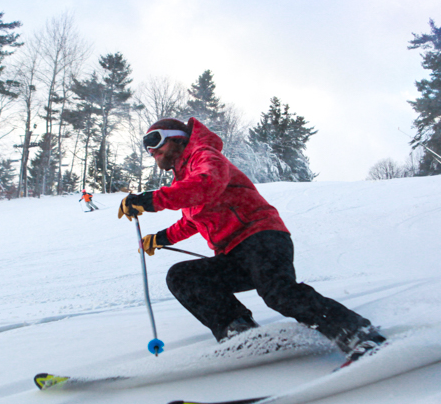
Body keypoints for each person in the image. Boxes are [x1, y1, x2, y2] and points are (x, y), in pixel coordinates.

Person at [118, 117, 385, 362]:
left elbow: (207, 186)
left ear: (177, 138)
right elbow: (194, 219)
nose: (152, 151)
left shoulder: (205, 156)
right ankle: (240, 332)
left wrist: (151, 200)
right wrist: (162, 237)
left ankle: (359, 335)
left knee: (278, 293)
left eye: (155, 142)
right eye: (147, 147)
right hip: (232, 253)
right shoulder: (185, 177)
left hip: (261, 237)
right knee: (182, 276)